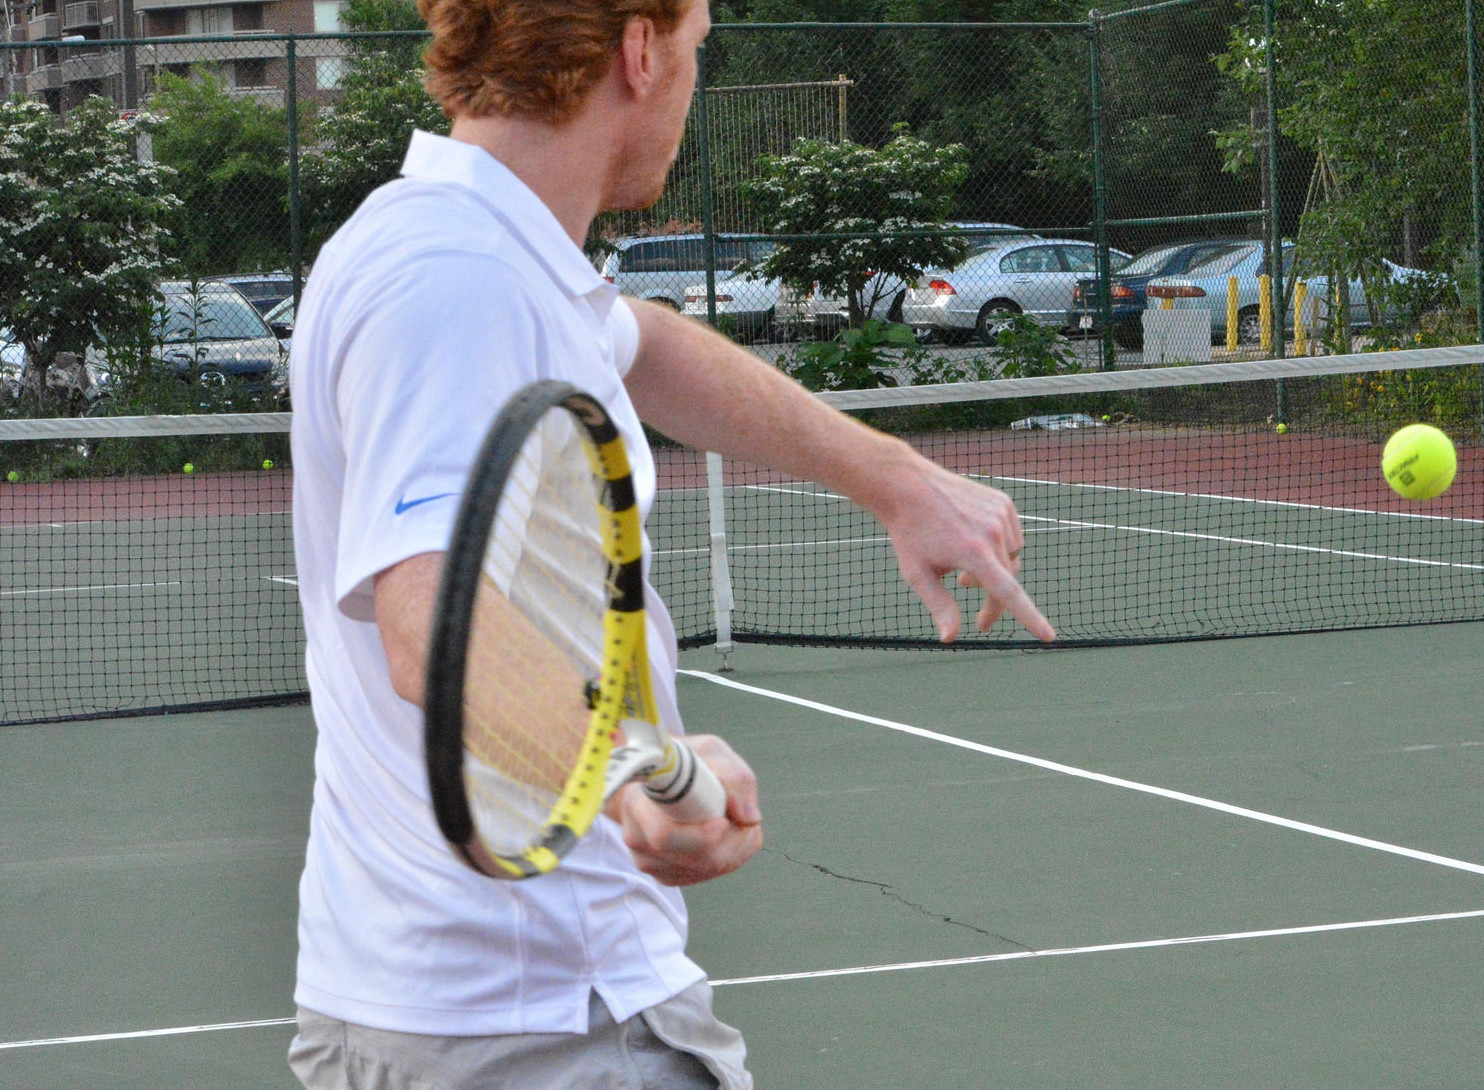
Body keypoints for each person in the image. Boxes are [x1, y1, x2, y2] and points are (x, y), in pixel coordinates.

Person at [283, 0, 1055, 1085]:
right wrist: (649, 769)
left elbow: (645, 346)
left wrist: (895, 479)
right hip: (539, 1026)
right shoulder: (457, 281)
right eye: (696, 48)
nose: (693, 76)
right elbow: (435, 628)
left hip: (460, 1005)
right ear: (639, 54)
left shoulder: (478, 248)